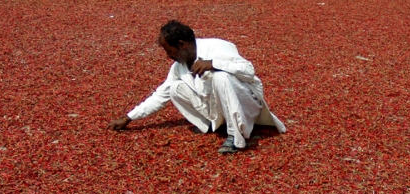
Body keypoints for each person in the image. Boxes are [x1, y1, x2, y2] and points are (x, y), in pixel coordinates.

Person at [108, 20, 286, 154]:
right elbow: (160, 95)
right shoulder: (179, 67)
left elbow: (248, 71)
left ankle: (236, 137)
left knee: (221, 77)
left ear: (181, 45)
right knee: (174, 88)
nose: (168, 56)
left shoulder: (217, 47)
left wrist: (214, 64)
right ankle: (210, 125)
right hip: (218, 107)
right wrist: (128, 118)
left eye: (169, 51)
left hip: (246, 101)